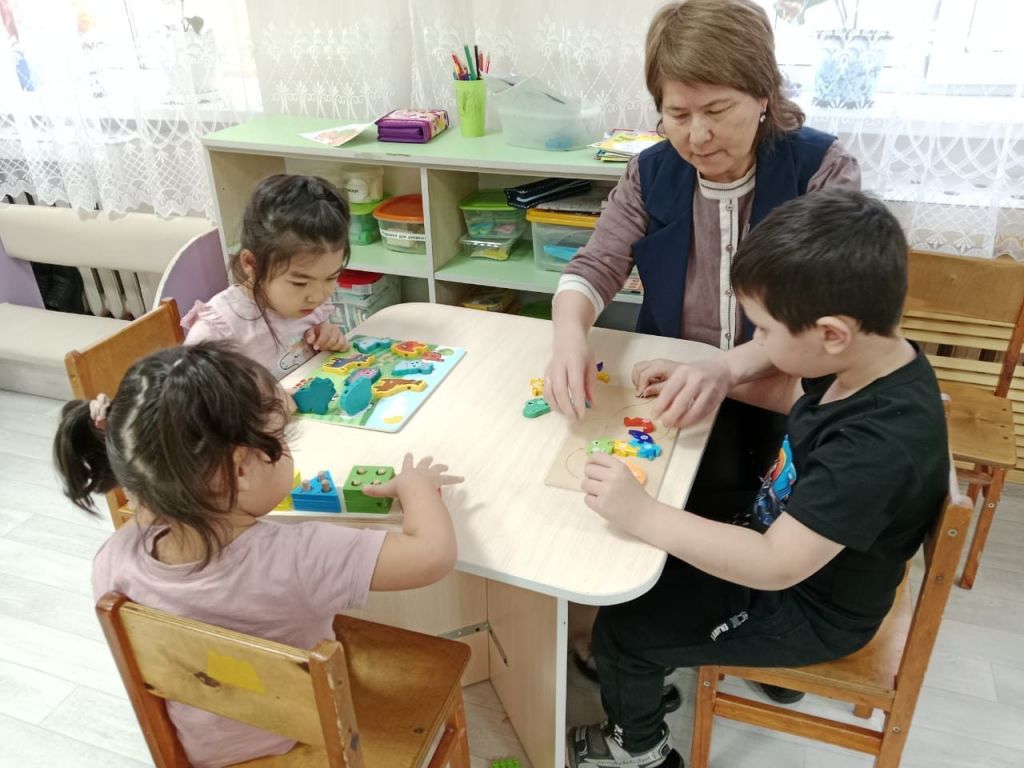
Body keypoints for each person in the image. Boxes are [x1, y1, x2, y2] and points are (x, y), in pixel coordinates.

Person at [566, 189, 949, 768]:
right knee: (663, 532)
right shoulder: (871, 360)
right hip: (786, 531)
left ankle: (637, 749)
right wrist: (708, 377)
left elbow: (775, 565)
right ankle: (652, 669)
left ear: (832, 333)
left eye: (764, 331)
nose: (756, 344)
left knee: (625, 631)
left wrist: (641, 513)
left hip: (809, 607)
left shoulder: (876, 447)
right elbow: (794, 387)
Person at [544, 0, 861, 686]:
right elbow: (596, 265)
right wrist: (568, 335)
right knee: (629, 496)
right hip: (675, 389)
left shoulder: (820, 168)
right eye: (677, 113)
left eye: (717, 109)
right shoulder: (650, 172)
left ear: (763, 94)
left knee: (760, 513)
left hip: (780, 394)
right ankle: (648, 625)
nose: (697, 135)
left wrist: (728, 369)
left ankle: (752, 634)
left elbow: (827, 312)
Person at [54, 343, 461, 768]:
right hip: (300, 735)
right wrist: (415, 485)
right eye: (281, 439)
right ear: (241, 470)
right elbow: (432, 555)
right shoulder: (300, 557)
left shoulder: (112, 559)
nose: (286, 446)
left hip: (204, 748)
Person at [183, 174, 351, 380]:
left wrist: (328, 336)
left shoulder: (310, 303)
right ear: (251, 264)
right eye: (299, 283)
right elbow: (186, 397)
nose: (317, 297)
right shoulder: (218, 331)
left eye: (331, 278)